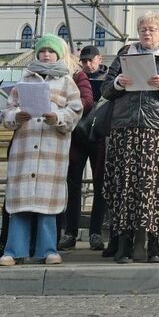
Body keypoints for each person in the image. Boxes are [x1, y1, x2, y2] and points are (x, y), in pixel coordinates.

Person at [101, 12, 159, 263]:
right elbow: (106, 90)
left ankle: (153, 247)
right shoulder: (124, 54)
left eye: (152, 29)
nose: (147, 33)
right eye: (143, 30)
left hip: (157, 131)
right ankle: (123, 245)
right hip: (126, 129)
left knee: (154, 188)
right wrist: (118, 82)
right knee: (126, 186)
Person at [0, 35, 84, 266]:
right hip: (25, 149)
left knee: (48, 203)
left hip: (51, 151)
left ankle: (48, 249)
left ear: (58, 55)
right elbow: (7, 111)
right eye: (42, 50)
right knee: (20, 201)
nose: (46, 54)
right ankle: (14, 249)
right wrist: (17, 116)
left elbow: (75, 111)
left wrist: (58, 117)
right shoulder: (23, 81)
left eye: (50, 51)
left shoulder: (67, 82)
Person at [65, 45, 108, 251]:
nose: (88, 64)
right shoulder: (75, 78)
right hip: (78, 135)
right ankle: (70, 232)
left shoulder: (108, 79)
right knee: (73, 184)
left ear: (99, 59)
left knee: (101, 185)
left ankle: (95, 233)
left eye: (91, 60)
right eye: (84, 61)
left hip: (99, 137)